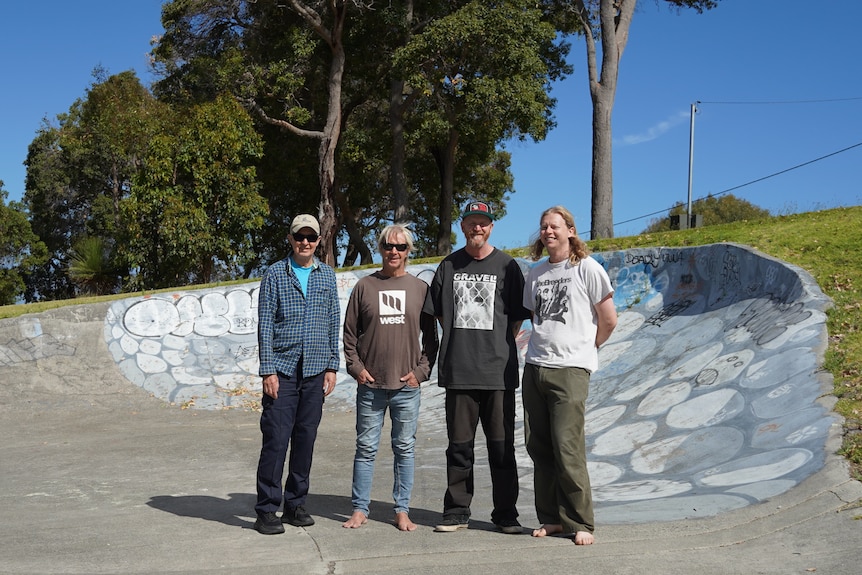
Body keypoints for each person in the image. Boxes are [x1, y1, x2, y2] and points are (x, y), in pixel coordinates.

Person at [424, 201, 531, 534]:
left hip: (498, 374)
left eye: (483, 223)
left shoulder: (508, 266)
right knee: (459, 447)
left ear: (491, 227)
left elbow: (515, 319)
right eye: (471, 223)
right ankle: (456, 511)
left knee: (502, 449)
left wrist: (494, 349)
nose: (477, 229)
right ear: (463, 226)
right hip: (459, 372)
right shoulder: (448, 266)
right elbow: (439, 314)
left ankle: (505, 515)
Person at [521, 206, 617, 545]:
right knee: (540, 447)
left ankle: (580, 521)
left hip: (571, 370)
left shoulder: (588, 269)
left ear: (571, 231)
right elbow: (537, 318)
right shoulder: (534, 273)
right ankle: (551, 519)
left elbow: (608, 320)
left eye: (555, 226)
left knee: (567, 446)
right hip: (535, 368)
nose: (548, 231)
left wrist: (586, 351)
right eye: (544, 226)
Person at [341, 224, 439, 532]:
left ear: (409, 251)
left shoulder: (420, 289)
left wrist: (421, 373)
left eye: (400, 247)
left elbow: (432, 339)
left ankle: (401, 509)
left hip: (406, 388)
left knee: (404, 448)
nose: (393, 251)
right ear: (380, 248)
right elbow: (348, 335)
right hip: (371, 386)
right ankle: (359, 508)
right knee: (366, 449)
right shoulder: (364, 287)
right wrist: (357, 369)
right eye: (388, 245)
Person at [253, 214, 340, 535]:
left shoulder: (326, 276)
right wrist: (268, 370)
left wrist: (332, 365)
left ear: (319, 240)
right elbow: (265, 324)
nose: (305, 242)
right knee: (276, 440)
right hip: (283, 371)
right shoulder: (275, 274)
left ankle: (295, 504)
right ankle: (266, 509)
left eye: (311, 237)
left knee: (305, 440)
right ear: (290, 239)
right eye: (299, 237)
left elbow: (333, 321)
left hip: (316, 371)